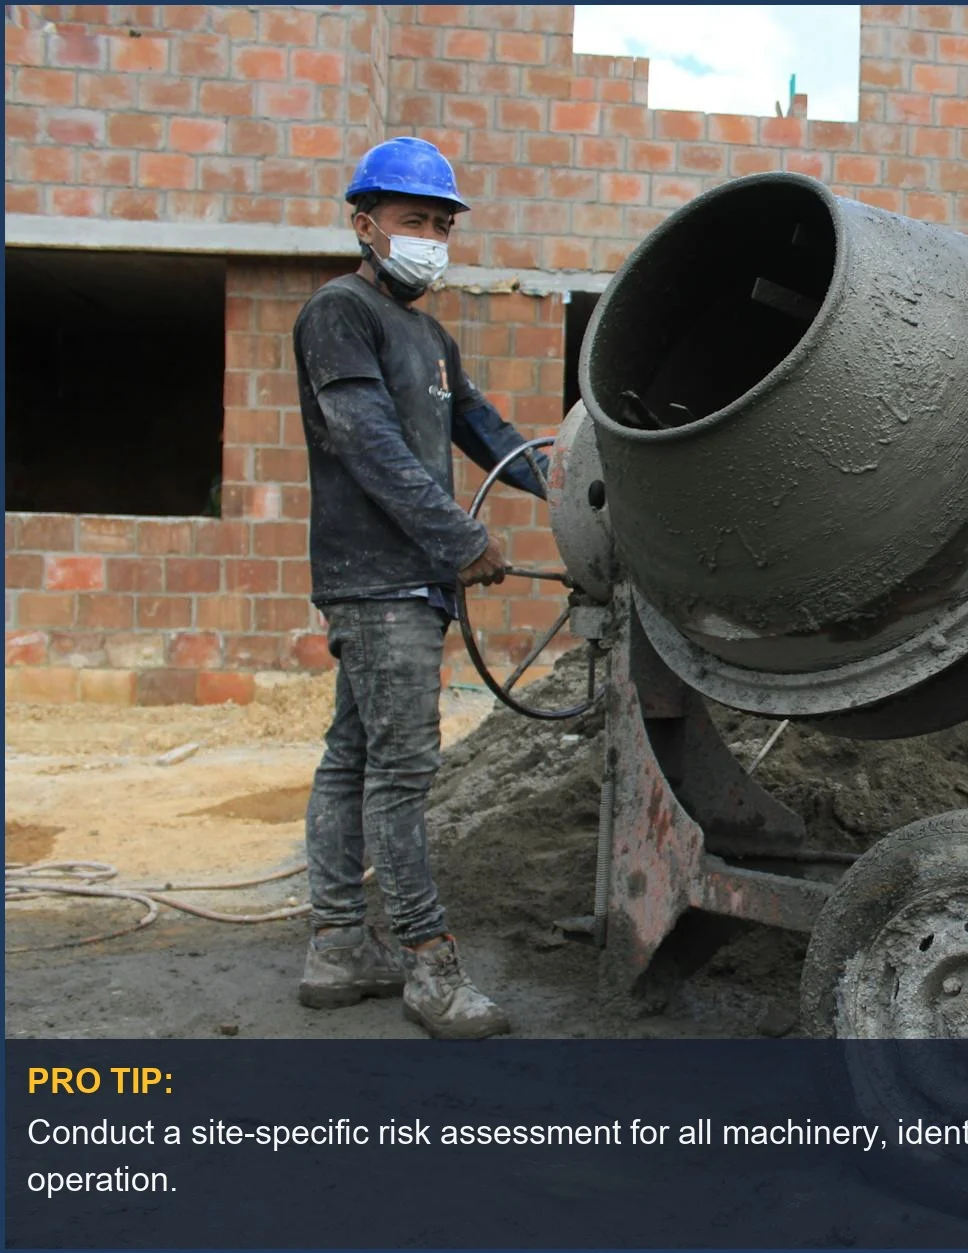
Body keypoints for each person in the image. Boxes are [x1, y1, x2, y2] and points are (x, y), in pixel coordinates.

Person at [291, 136, 551, 1039]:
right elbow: (366, 442)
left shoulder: (429, 333)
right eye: (414, 220)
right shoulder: (339, 312)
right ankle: (428, 966)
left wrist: (574, 482)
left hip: (405, 581)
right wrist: (459, 539)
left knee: (351, 757)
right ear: (365, 224)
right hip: (380, 581)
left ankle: (335, 944)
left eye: (442, 223)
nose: (431, 237)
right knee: (402, 773)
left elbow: (480, 426)